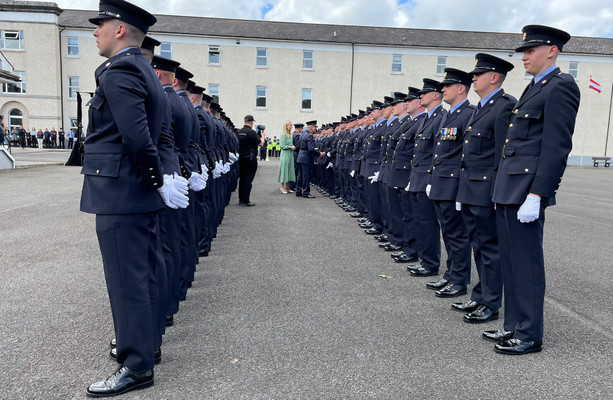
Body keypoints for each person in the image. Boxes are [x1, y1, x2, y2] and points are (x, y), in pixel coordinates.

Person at [80, 0, 177, 396]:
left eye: (101, 24)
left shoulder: (120, 70)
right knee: (143, 276)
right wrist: (160, 180)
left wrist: (157, 179)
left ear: (120, 29)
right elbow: (158, 133)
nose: (95, 31)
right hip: (135, 191)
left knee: (127, 282)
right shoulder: (144, 70)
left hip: (122, 191)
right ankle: (145, 347)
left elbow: (138, 136)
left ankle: (136, 366)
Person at [487, 25, 580, 355]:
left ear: (552, 50)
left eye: (531, 50)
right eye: (523, 51)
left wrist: (537, 195)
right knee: (510, 263)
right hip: (509, 190)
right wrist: (501, 192)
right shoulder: (533, 87)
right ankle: (513, 325)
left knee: (526, 264)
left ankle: (529, 335)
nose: (524, 56)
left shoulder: (561, 86)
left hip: (527, 191)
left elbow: (556, 148)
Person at [453, 53, 516, 324]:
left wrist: (496, 193)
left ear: (494, 77)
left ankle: (491, 304)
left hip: (486, 192)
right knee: (478, 246)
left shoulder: (504, 106)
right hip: (470, 190)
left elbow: (503, 154)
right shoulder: (480, 107)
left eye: (478, 74)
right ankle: (480, 295)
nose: (473, 78)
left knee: (490, 249)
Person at [237, 115, 263, 206]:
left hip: (241, 158)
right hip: (250, 159)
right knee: (248, 180)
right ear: (251, 122)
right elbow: (261, 144)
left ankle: (241, 199)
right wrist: (262, 136)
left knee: (242, 179)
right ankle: (245, 200)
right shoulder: (251, 132)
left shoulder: (239, 132)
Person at [296, 120, 324, 198]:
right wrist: (319, 154)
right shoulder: (309, 135)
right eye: (315, 127)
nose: (315, 128)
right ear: (311, 127)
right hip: (306, 158)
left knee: (300, 175)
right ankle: (305, 192)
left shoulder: (302, 134)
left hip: (300, 156)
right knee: (306, 176)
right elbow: (311, 149)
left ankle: (298, 191)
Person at [278, 121, 296, 193]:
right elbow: (281, 145)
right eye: (290, 125)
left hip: (290, 154)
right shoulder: (283, 134)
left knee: (289, 169)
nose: (291, 127)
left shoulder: (290, 135)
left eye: (292, 125)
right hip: (285, 154)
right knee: (284, 170)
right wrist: (290, 147)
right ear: (286, 126)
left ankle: (287, 186)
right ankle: (282, 187)